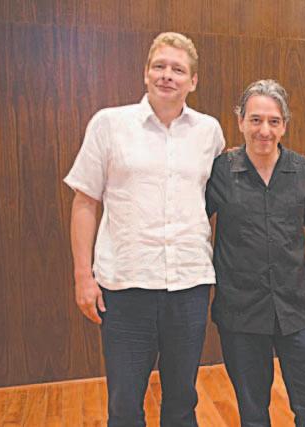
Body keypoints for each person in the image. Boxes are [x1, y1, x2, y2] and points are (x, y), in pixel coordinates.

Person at [64, 32, 224, 426]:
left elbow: (214, 201)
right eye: (160, 66)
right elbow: (85, 202)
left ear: (193, 81)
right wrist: (83, 276)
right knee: (124, 404)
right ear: (145, 73)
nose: (167, 75)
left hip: (188, 285)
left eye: (178, 69)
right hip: (126, 287)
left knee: (182, 402)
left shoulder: (209, 132)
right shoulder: (109, 124)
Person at [205, 80, 305, 427]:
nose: (264, 130)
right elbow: (194, 222)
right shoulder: (220, 171)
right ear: (240, 121)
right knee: (253, 413)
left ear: (284, 125)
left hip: (297, 308)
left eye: (273, 121)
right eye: (256, 120)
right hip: (241, 311)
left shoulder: (300, 170)